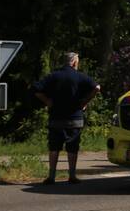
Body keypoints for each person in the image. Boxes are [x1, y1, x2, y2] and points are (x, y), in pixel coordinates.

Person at [34, 52, 100, 184]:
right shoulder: (80, 76)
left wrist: (48, 101)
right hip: (75, 118)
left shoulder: (53, 76)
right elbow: (97, 87)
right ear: (75, 62)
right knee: (72, 147)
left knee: (54, 147)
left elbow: (36, 89)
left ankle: (51, 176)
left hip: (55, 118)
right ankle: (72, 175)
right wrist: (85, 102)